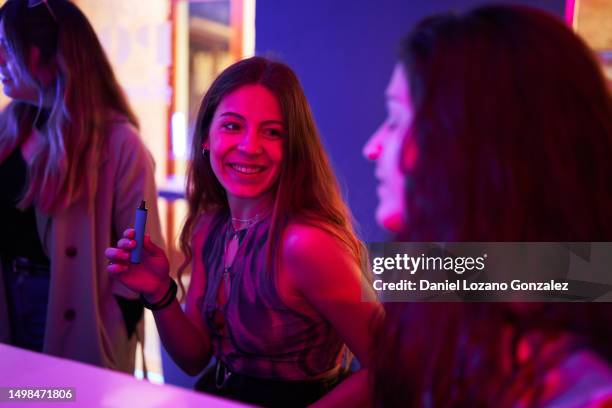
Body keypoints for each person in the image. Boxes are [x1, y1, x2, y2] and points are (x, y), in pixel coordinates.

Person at [363, 4, 612, 407]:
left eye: (394, 119)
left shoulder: (580, 385)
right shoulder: (441, 274)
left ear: (465, 142)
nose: (372, 148)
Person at [106, 56, 380, 407]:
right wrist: (160, 292)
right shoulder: (210, 228)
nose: (250, 146)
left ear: (293, 147)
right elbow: (194, 359)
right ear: (206, 138)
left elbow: (391, 366)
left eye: (272, 132)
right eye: (233, 126)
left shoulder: (305, 242)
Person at [0, 0, 162, 373]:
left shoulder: (119, 144)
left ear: (44, 52)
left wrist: (112, 325)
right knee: (17, 398)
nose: (0, 61)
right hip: (9, 304)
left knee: (56, 397)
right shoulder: (8, 128)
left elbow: (142, 252)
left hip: (74, 316)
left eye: (7, 48)